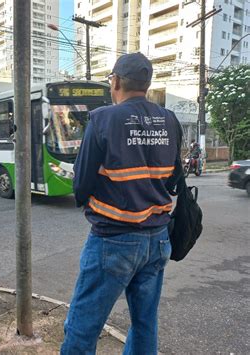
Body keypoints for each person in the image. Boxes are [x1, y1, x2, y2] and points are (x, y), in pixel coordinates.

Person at [61, 53, 182, 355]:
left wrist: (86, 198)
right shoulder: (169, 120)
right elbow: (173, 178)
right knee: (144, 322)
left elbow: (82, 183)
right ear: (147, 85)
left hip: (113, 241)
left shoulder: (103, 119)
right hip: (158, 238)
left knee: (83, 326)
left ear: (115, 82)